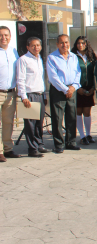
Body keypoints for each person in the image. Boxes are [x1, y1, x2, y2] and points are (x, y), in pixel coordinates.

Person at [46, 34, 81, 153]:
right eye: (61, 43)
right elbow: (53, 77)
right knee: (57, 118)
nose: (64, 45)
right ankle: (59, 144)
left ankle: (71, 142)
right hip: (58, 90)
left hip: (72, 89)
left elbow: (78, 73)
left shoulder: (74, 57)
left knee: (71, 117)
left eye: (66, 42)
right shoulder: (52, 57)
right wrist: (65, 89)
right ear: (57, 44)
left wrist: (73, 87)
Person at [16, 37, 49, 158]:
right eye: (33, 46)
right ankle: (32, 148)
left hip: (39, 94)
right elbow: (20, 79)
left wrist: (44, 94)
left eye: (38, 45)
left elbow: (40, 79)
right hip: (29, 95)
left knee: (39, 122)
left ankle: (39, 143)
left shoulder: (39, 58)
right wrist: (23, 96)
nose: (36, 48)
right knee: (30, 124)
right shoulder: (23, 60)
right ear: (27, 47)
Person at [72, 36, 97, 145]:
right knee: (78, 111)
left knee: (87, 111)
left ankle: (88, 134)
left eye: (82, 43)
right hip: (77, 88)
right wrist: (77, 88)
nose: (80, 45)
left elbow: (96, 73)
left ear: (86, 44)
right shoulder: (73, 56)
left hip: (89, 87)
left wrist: (93, 87)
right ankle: (82, 136)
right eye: (78, 43)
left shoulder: (91, 57)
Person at [0, 26, 20, 161]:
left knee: (8, 123)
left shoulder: (14, 51)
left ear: (10, 36)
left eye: (6, 35)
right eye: (1, 35)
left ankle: (7, 149)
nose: (3, 38)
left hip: (11, 93)